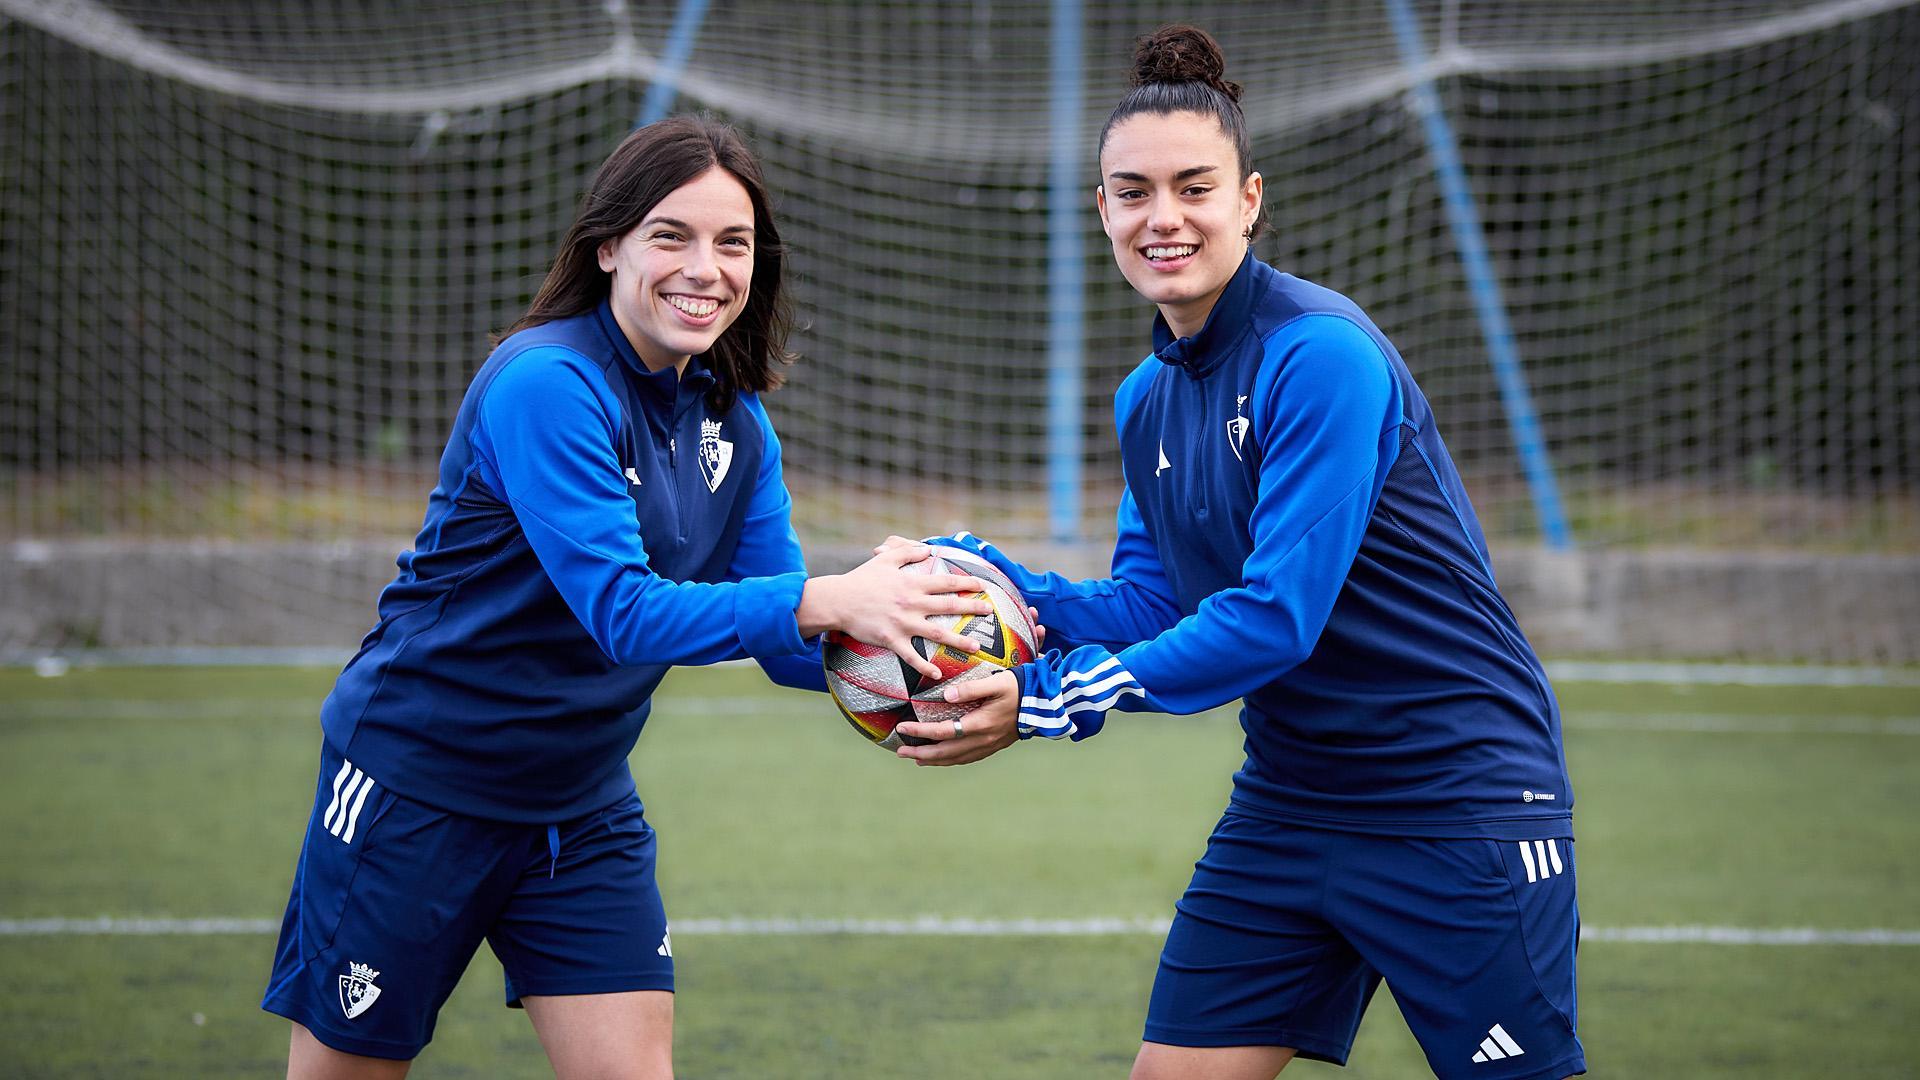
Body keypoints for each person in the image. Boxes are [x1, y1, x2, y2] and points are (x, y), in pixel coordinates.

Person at [888, 25, 1585, 1080]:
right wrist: (983, 577)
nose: (1161, 218)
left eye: (1193, 187)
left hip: (1454, 799)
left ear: (1248, 200)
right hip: (1294, 806)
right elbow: (1156, 603)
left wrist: (1039, 701)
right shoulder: (1147, 397)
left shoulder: (1321, 357)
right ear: (1103, 211)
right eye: (1132, 192)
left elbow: (1274, 617)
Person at [259, 116, 994, 1079]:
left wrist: (946, 651)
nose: (706, 267)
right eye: (671, 236)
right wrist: (831, 598)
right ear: (609, 248)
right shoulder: (547, 384)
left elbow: (781, 635)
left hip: (579, 805)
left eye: (732, 243)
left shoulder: (736, 420)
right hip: (419, 785)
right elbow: (627, 614)